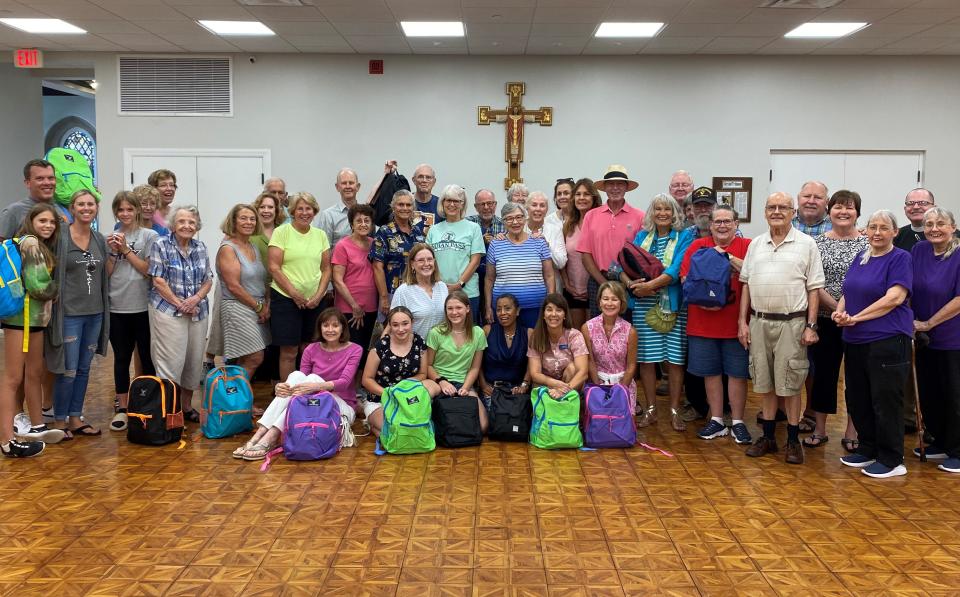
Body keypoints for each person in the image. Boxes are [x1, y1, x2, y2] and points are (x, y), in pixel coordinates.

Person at [739, 192, 824, 465]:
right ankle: (767, 438)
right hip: (759, 321)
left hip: (793, 323)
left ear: (793, 212)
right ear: (765, 212)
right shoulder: (756, 244)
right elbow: (746, 285)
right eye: (771, 207)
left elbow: (814, 289)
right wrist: (743, 321)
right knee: (764, 383)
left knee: (790, 384)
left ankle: (791, 440)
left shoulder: (807, 244)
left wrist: (811, 325)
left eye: (782, 207)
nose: (776, 211)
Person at [834, 210, 913, 478]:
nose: (877, 232)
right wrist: (840, 312)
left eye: (883, 227)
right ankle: (867, 449)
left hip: (887, 340)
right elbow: (848, 290)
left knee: (886, 400)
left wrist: (855, 318)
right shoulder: (862, 256)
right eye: (872, 227)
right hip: (855, 340)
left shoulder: (901, 258)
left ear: (894, 232)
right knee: (858, 398)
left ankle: (892, 459)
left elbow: (894, 298)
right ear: (865, 231)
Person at [233, 308, 362, 460]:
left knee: (312, 378)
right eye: (326, 325)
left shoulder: (355, 349)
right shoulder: (310, 349)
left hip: (340, 406)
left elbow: (344, 383)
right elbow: (300, 381)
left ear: (343, 328)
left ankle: (271, 437)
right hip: (312, 404)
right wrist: (281, 388)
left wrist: (316, 386)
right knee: (296, 375)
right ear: (320, 328)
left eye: (335, 325)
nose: (330, 330)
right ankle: (259, 435)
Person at [623, 194, 694, 431]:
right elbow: (624, 264)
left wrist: (649, 286)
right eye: (658, 209)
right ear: (651, 214)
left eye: (667, 209)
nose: (662, 213)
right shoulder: (642, 237)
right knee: (646, 359)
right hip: (644, 305)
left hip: (672, 306)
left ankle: (674, 410)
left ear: (675, 213)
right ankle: (651, 409)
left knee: (674, 359)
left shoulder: (685, 236)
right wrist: (632, 284)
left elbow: (676, 268)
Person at [1, 204, 65, 456]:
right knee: (12, 378)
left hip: (34, 320)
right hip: (21, 319)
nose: (48, 225)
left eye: (52, 222)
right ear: (31, 221)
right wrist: (57, 289)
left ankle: (37, 425)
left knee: (34, 373)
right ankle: (7, 440)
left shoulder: (36, 244)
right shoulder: (31, 244)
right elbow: (38, 285)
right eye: (43, 221)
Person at [46, 190, 111, 437]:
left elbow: (105, 274)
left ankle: (75, 418)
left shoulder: (99, 239)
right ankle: (60, 421)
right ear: (71, 209)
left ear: (96, 208)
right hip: (68, 315)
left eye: (90, 204)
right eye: (80, 204)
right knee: (68, 369)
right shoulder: (60, 236)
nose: (86, 208)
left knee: (84, 369)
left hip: (95, 314)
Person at [808, 191, 867, 450]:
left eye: (850, 208)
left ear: (858, 213)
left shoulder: (868, 244)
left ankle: (852, 431)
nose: (843, 212)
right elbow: (813, 282)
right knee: (824, 375)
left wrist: (848, 313)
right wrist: (835, 309)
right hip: (825, 318)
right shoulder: (817, 243)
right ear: (829, 211)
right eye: (838, 207)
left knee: (856, 377)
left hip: (859, 320)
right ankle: (819, 429)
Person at [147, 205, 212, 423]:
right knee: (170, 363)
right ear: (173, 225)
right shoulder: (160, 245)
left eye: (191, 222)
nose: (187, 226)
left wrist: (195, 299)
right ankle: (168, 412)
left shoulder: (200, 247)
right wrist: (180, 303)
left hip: (197, 312)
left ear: (197, 226)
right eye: (182, 221)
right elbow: (158, 280)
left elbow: (208, 279)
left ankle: (186, 408)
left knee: (193, 361)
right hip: (168, 311)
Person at [911, 207, 960, 472]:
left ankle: (958, 449)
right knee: (931, 394)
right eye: (929, 224)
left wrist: (929, 322)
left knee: (955, 395)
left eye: (940, 223)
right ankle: (941, 442)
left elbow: (959, 300)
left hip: (953, 338)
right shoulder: (919, 251)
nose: (934, 228)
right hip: (923, 337)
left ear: (953, 227)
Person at [106, 191, 159, 432]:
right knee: (121, 357)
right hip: (117, 306)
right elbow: (105, 274)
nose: (125, 214)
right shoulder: (111, 238)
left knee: (147, 357)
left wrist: (127, 250)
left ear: (137, 210)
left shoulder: (150, 236)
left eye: (129, 209)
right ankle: (122, 408)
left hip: (143, 306)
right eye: (120, 210)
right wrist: (114, 253)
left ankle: (147, 404)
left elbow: (148, 270)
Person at [268, 192, 331, 381]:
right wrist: (295, 294)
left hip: (315, 301)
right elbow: (274, 267)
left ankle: (307, 391)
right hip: (286, 299)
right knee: (289, 350)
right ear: (292, 211)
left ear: (314, 211)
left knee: (309, 348)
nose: (305, 212)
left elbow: (326, 269)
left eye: (309, 209)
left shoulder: (320, 235)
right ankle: (287, 395)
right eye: (300, 209)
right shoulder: (282, 232)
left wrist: (319, 296)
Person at [577, 165, 645, 318]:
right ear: (604, 187)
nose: (615, 188)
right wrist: (603, 284)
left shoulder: (639, 216)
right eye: (610, 184)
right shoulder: (591, 216)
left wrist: (627, 283)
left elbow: (642, 256)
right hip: (598, 280)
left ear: (626, 187)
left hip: (628, 283)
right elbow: (585, 255)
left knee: (626, 329)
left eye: (620, 184)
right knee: (597, 330)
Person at [213, 204, 270, 379]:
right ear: (234, 221)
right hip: (237, 307)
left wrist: (265, 304)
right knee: (255, 356)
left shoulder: (252, 246)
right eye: (243, 218)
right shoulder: (228, 248)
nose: (249, 222)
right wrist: (259, 307)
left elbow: (262, 279)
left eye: (252, 218)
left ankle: (239, 402)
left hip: (257, 307)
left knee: (248, 358)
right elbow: (233, 286)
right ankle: (234, 402)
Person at [360, 306, 431, 438]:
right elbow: (367, 379)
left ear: (412, 322)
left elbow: (422, 374)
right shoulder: (381, 346)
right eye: (395, 325)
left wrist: (403, 389)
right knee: (396, 428)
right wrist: (389, 393)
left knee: (411, 428)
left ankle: (378, 429)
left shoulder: (419, 342)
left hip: (407, 396)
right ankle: (374, 422)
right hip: (380, 399)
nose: (401, 329)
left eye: (405, 324)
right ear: (390, 326)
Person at [424, 291, 489, 432]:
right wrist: (442, 381)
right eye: (450, 308)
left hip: (462, 382)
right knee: (424, 397)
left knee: (483, 426)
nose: (454, 312)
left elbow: (474, 368)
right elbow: (428, 365)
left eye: (458, 308)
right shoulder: (436, 332)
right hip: (437, 381)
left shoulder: (478, 333)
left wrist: (466, 388)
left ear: (467, 308)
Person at [484, 202, 554, 329]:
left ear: (525, 218)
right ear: (503, 221)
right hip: (503, 310)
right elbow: (489, 279)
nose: (515, 222)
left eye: (519, 217)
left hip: (535, 307)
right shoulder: (495, 245)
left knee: (534, 345)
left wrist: (551, 303)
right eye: (509, 218)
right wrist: (488, 307)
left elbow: (549, 276)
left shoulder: (539, 243)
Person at [426, 184, 485, 321]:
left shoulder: (473, 228)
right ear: (442, 203)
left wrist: (459, 284)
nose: (452, 204)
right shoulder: (434, 230)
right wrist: (440, 284)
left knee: (468, 335)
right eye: (448, 200)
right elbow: (428, 260)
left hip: (467, 292)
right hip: (439, 291)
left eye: (456, 201)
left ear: (462, 204)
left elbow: (475, 261)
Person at [332, 204, 378, 361]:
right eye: (359, 221)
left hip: (371, 306)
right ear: (351, 224)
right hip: (349, 308)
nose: (363, 224)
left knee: (366, 349)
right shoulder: (342, 245)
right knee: (351, 351)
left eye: (367, 220)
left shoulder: (374, 244)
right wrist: (354, 306)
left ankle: (361, 385)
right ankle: (348, 385)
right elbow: (337, 280)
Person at [372, 190, 427, 316]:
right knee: (394, 331)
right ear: (393, 207)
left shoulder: (418, 232)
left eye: (408, 205)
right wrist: (384, 297)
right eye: (400, 204)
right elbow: (377, 267)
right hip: (392, 293)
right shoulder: (384, 232)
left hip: (416, 292)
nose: (405, 208)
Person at [582, 282, 637, 401]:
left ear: (621, 303)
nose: (609, 303)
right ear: (599, 302)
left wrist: (620, 390)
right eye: (605, 299)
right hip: (597, 385)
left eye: (614, 299)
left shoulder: (630, 331)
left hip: (623, 385)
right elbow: (590, 360)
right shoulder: (587, 327)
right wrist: (599, 389)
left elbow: (631, 365)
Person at [527, 293, 590, 398]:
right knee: (537, 382)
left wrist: (562, 391)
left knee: (572, 368)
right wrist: (555, 384)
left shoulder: (574, 335)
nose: (554, 314)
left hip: (570, 385)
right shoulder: (536, 336)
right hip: (546, 384)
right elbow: (535, 373)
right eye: (549, 309)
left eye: (559, 310)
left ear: (565, 315)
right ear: (543, 314)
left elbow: (583, 372)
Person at [561, 178, 602, 331]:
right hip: (573, 291)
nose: (582, 198)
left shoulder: (600, 222)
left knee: (594, 335)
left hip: (596, 288)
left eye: (586, 194)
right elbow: (562, 259)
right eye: (578, 194)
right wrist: (567, 284)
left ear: (594, 198)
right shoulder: (568, 225)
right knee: (576, 335)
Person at [479, 294, 531, 401]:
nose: (502, 313)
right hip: (491, 390)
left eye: (507, 309)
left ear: (517, 311)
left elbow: (533, 363)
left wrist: (524, 384)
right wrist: (483, 385)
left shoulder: (529, 334)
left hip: (517, 391)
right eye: (498, 309)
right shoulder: (487, 331)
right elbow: (476, 363)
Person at [391, 243, 449, 339]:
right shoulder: (403, 291)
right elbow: (394, 324)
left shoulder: (442, 287)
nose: (426, 264)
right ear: (412, 264)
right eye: (421, 260)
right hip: (416, 349)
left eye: (429, 259)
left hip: (441, 348)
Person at [467, 188, 504, 323]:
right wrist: (479, 240)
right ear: (476, 207)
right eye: (482, 204)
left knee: (493, 316)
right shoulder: (467, 224)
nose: (486, 207)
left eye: (490, 203)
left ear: (495, 204)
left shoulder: (504, 225)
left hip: (496, 279)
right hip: (472, 277)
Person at [0, 159, 56, 241]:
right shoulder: (13, 212)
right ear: (27, 183)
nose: (47, 183)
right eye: (40, 178)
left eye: (51, 178)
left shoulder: (63, 211)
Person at [526, 191, 567, 288]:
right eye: (534, 205)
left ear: (547, 209)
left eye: (542, 205)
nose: (538, 209)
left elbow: (561, 263)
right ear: (527, 207)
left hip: (551, 286)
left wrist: (547, 246)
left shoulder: (555, 229)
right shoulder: (519, 227)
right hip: (525, 285)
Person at [316, 167, 360, 247]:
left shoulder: (366, 214)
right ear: (337, 187)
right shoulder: (328, 216)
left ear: (358, 187)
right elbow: (323, 249)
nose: (347, 186)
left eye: (351, 183)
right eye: (344, 183)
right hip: (337, 259)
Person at [251, 191, 285, 265]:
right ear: (256, 210)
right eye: (262, 207)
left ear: (276, 210)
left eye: (270, 207)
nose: (266, 211)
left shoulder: (284, 232)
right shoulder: (249, 233)